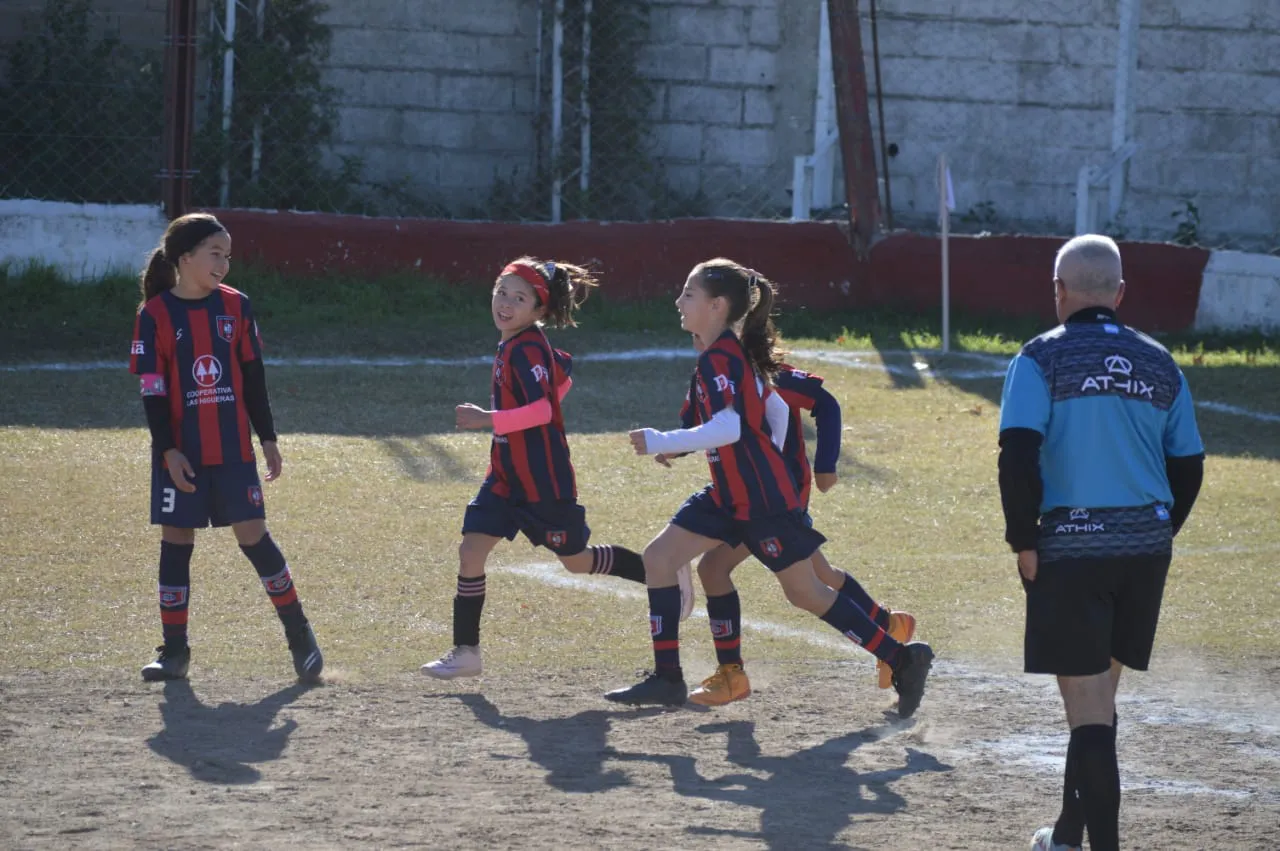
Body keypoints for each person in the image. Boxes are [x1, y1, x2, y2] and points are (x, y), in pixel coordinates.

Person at [604, 258, 934, 715]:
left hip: (761, 502)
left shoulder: (724, 357)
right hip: (728, 496)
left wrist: (666, 441)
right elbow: (735, 420)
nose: (679, 302)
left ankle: (902, 658)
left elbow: (731, 427)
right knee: (661, 559)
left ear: (717, 306)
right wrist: (676, 446)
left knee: (807, 592)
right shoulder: (714, 357)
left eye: (688, 294)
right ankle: (667, 678)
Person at [998, 235, 1204, 851]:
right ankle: (1065, 834)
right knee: (1097, 700)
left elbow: (1018, 453)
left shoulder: (1040, 357)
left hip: (1072, 546)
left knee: (1087, 708)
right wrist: (1160, 530)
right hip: (1144, 549)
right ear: (1119, 293)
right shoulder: (1158, 360)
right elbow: (1188, 465)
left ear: (1058, 291)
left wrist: (1023, 538)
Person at [421, 257, 693, 680]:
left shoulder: (527, 346)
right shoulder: (521, 343)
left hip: (543, 482)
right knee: (471, 550)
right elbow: (562, 373)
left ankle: (661, 573)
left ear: (539, 310)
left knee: (577, 561)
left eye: (520, 297)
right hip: (506, 477)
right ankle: (467, 652)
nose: (506, 303)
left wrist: (489, 418)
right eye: (502, 292)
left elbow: (545, 408)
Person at [666, 336, 918, 706]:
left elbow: (826, 404)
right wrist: (670, 445)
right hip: (746, 495)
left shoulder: (763, 377)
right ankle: (889, 627)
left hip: (773, 499)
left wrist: (827, 464)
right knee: (818, 577)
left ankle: (732, 673)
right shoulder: (710, 375)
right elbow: (701, 426)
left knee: (732, 572)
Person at [129, 213, 323, 684]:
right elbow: (152, 391)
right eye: (215, 253)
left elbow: (254, 377)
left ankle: (300, 637)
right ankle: (174, 652)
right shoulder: (154, 315)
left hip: (234, 452)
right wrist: (167, 451)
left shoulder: (237, 307)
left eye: (228, 255)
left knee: (254, 538)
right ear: (185, 257)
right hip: (182, 455)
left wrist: (269, 438)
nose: (224, 262)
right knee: (176, 543)